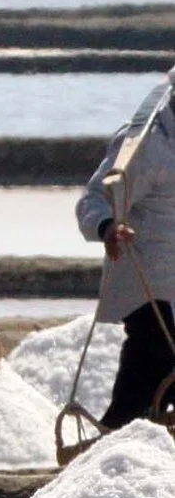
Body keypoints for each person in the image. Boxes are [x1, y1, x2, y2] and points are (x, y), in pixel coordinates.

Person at [78, 69, 175, 430]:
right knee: (154, 362)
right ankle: (114, 446)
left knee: (157, 381)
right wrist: (108, 228)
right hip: (146, 282)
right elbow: (95, 199)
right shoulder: (146, 144)